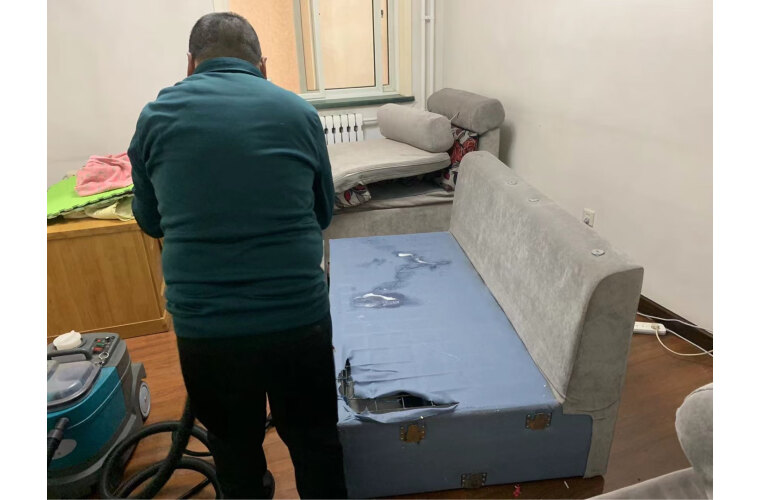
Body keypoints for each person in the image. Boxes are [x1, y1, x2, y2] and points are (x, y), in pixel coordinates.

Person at [128, 12, 346, 499]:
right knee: (316, 443)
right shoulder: (299, 113)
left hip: (208, 331)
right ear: (262, 65)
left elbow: (150, 221)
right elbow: (323, 213)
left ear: (190, 62)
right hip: (298, 321)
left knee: (233, 450)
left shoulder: (155, 118)